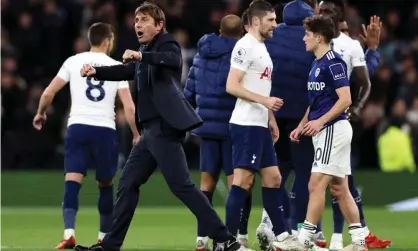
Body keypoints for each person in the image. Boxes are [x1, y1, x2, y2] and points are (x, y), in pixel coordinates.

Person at [75, 3, 243, 251]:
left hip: (165, 127)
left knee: (182, 186)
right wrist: (96, 71)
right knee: (128, 183)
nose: (138, 25)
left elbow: (172, 60)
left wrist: (141, 55)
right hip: (151, 131)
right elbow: (127, 70)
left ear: (159, 25)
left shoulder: (167, 44)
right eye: (136, 20)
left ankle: (225, 238)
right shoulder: (145, 49)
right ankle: (110, 246)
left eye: (144, 20)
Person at [32, 22, 140, 249]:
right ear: (109, 40)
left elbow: (49, 92)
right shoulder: (115, 66)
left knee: (72, 181)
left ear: (91, 39)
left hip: (78, 126)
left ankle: (69, 233)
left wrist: (40, 113)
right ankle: (103, 237)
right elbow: (128, 106)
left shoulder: (73, 61)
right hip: (105, 129)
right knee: (106, 184)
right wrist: (135, 133)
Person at [225, 1, 299, 250]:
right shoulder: (245, 46)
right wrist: (265, 102)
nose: (275, 24)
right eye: (271, 20)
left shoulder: (262, 47)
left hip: (259, 123)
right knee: (243, 181)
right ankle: (228, 241)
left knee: (274, 177)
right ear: (256, 21)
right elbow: (232, 85)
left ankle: (281, 237)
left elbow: (259, 85)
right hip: (246, 124)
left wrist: (269, 117)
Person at [318, 1, 391, 249]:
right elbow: (361, 77)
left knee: (339, 181)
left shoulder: (344, 49)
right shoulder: (328, 47)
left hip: (334, 120)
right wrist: (372, 50)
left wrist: (370, 50)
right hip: (319, 118)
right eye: (345, 30)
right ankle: (318, 234)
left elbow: (362, 78)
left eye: (349, 31)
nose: (348, 36)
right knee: (329, 181)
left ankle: (339, 235)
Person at [292, 15, 367, 251]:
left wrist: (320, 122)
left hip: (333, 129)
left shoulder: (333, 63)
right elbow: (315, 103)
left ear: (319, 37)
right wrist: (302, 124)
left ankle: (303, 241)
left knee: (315, 185)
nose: (304, 38)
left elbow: (345, 100)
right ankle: (359, 242)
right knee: (339, 188)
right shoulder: (316, 63)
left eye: (307, 34)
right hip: (326, 129)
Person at [259, 0, 326, 248]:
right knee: (306, 174)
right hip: (304, 117)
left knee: (276, 171)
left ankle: (270, 222)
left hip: (273, 114)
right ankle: (306, 230)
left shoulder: (270, 38)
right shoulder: (312, 39)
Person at [183, 14, 252, 250]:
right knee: (239, 183)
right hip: (236, 126)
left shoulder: (201, 55)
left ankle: (201, 239)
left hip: (207, 128)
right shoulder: (244, 54)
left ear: (220, 31)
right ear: (242, 31)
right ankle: (238, 237)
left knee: (206, 183)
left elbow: (188, 95)